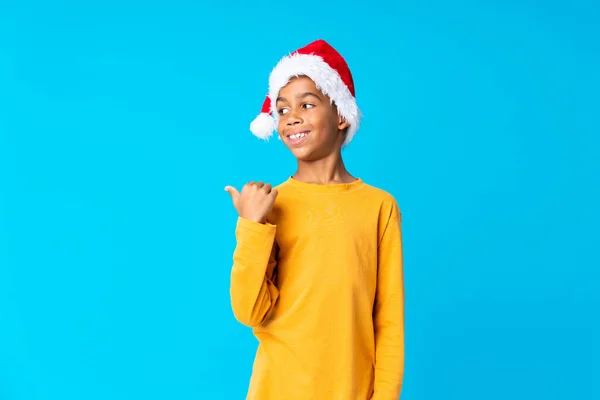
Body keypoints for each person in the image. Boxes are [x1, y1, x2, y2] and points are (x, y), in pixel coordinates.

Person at [224, 39, 404, 400]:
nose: (291, 118)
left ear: (341, 115)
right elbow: (249, 312)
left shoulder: (379, 206)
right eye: (282, 109)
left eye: (307, 104)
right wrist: (251, 227)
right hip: (277, 388)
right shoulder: (269, 204)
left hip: (351, 389)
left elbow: (388, 320)